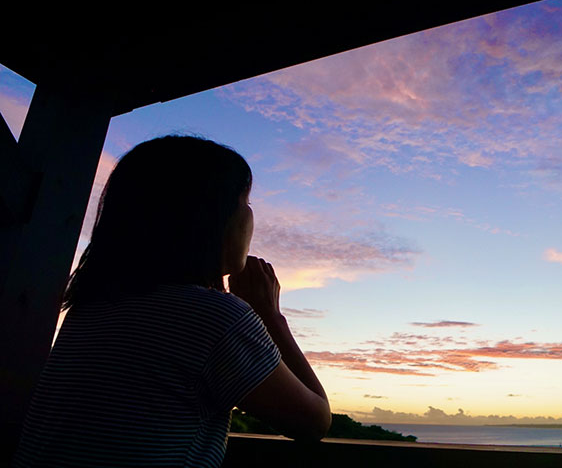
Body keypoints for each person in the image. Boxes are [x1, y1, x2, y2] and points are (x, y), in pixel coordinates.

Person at [12, 135, 330, 467]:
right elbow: (314, 422)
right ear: (211, 217)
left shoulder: (91, 307)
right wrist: (269, 315)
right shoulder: (216, 318)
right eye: (246, 202)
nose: (251, 217)